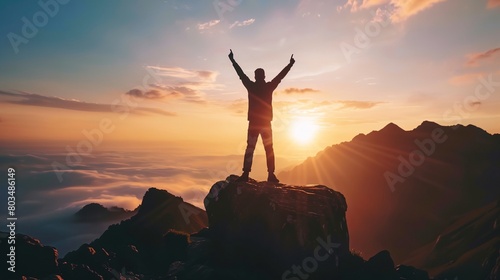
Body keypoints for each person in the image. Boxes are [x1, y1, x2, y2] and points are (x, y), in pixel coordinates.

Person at [228, 49, 295, 183]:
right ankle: (271, 174)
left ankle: (246, 174)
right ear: (263, 76)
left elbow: (240, 74)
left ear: (255, 76)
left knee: (250, 148)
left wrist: (232, 60)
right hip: (265, 124)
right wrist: (290, 64)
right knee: (269, 149)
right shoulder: (269, 86)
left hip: (253, 124)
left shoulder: (251, 86)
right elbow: (280, 77)